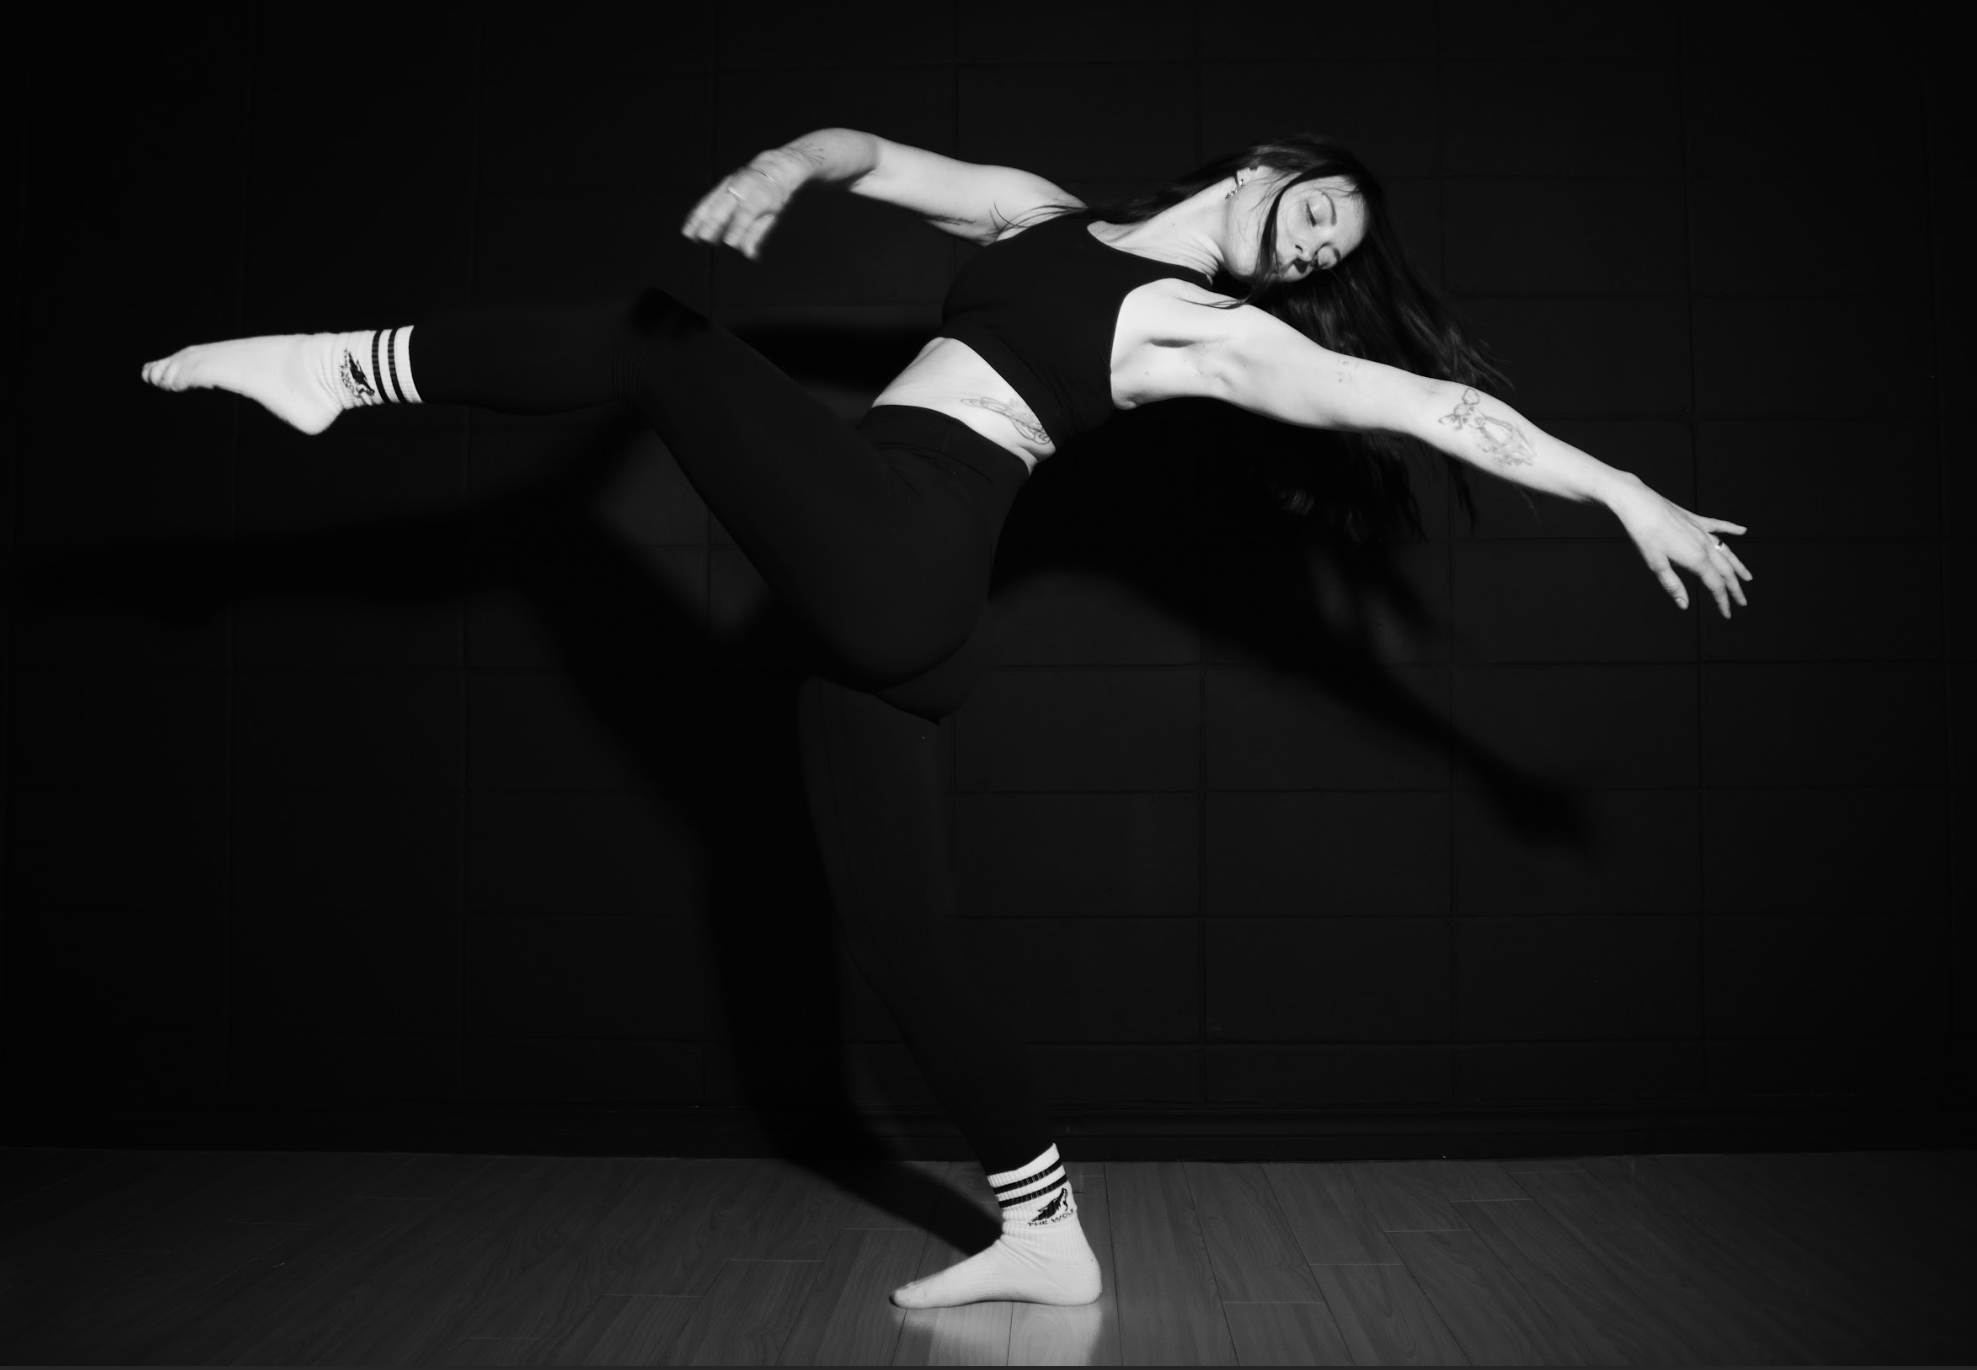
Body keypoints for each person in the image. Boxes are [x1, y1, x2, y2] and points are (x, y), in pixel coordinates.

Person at [139, 127, 1752, 1310]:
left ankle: (344, 370)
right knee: (905, 939)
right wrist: (787, 164)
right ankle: (1045, 1228)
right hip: (900, 602)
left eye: (1337, 252)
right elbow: (876, 158)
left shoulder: (1206, 328)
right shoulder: (1045, 216)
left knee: (653, 339)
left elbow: (1437, 409)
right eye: (1325, 207)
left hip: (906, 548)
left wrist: (1625, 490)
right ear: (1271, 163)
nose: (1323, 246)